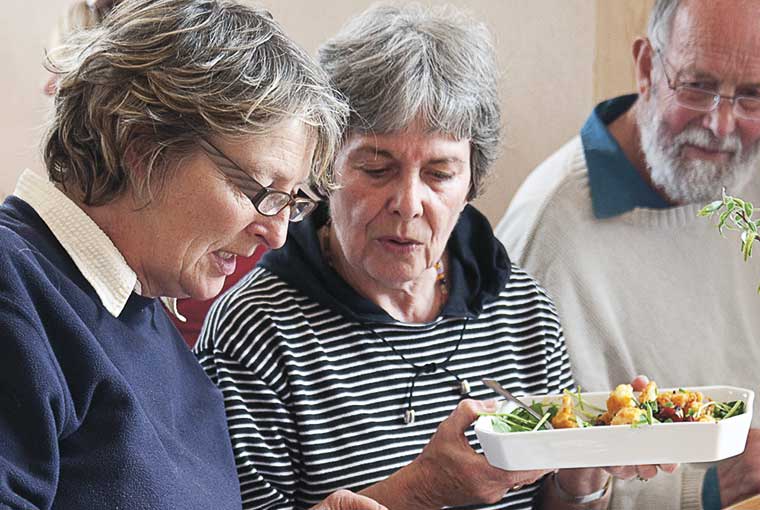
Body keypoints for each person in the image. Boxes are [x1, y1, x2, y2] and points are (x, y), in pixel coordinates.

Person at [196, 4, 673, 510]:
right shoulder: (252, 335)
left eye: (440, 173)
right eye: (377, 168)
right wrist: (422, 489)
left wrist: (584, 475)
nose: (408, 202)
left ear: (472, 181)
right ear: (323, 168)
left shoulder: (524, 312)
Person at [0, 0, 385, 508]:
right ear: (140, 145)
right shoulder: (17, 289)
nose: (275, 236)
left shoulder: (139, 302)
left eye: (291, 204)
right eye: (257, 190)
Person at [496, 0, 760, 508]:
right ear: (646, 68)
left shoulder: (749, 168)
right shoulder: (547, 236)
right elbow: (526, 480)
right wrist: (704, 489)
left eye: (751, 95)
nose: (723, 126)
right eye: (698, 85)